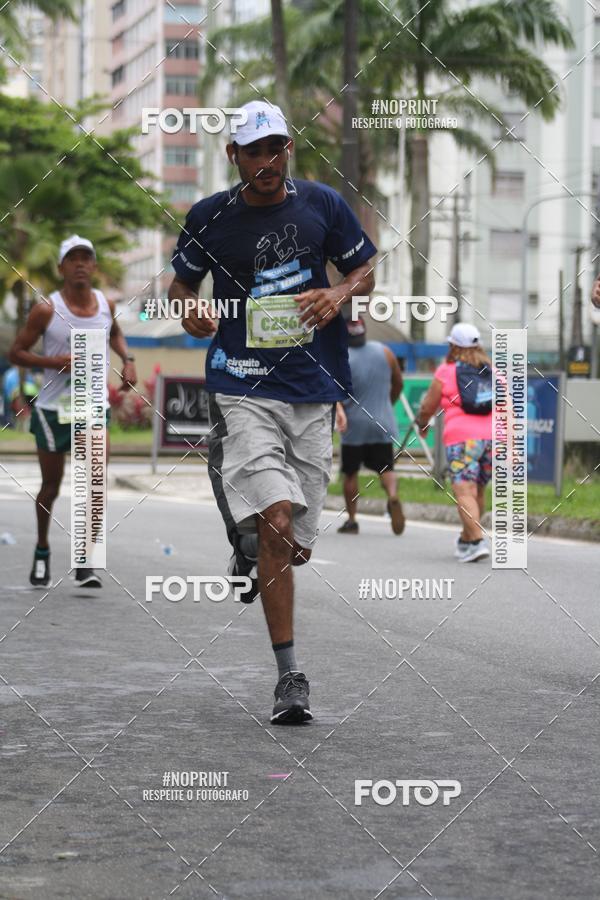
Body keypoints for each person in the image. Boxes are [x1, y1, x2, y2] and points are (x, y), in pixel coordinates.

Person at [169, 99, 377, 724]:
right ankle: (291, 676)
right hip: (242, 383)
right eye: (253, 150)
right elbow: (181, 284)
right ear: (234, 155)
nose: (266, 160)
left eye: (276, 147)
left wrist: (339, 291)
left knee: (293, 546)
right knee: (279, 521)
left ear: (289, 150)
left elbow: (366, 266)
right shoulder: (209, 216)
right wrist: (187, 309)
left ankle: (247, 538)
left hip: (311, 388)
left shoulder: (322, 205)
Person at [9, 235, 137, 588]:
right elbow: (16, 353)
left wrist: (128, 360)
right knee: (51, 485)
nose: (80, 264)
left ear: (94, 266)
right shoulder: (47, 309)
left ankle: (86, 560)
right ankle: (42, 548)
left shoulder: (104, 304)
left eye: (86, 258)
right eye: (73, 258)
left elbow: (116, 334)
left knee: (95, 484)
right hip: (53, 410)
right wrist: (52, 362)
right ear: (62, 267)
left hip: (92, 406)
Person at [416, 322, 492, 563]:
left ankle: (477, 541)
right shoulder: (494, 371)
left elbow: (428, 405)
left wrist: (423, 423)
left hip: (462, 440)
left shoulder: (446, 371)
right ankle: (468, 539)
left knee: (463, 491)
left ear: (453, 346)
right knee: (477, 490)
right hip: (492, 439)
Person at [335, 316, 405, 535]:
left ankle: (352, 520)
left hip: (353, 426)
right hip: (382, 422)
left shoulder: (342, 358)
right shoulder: (385, 352)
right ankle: (392, 496)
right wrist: (387, 404)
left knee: (351, 473)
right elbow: (398, 383)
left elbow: (336, 392)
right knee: (386, 468)